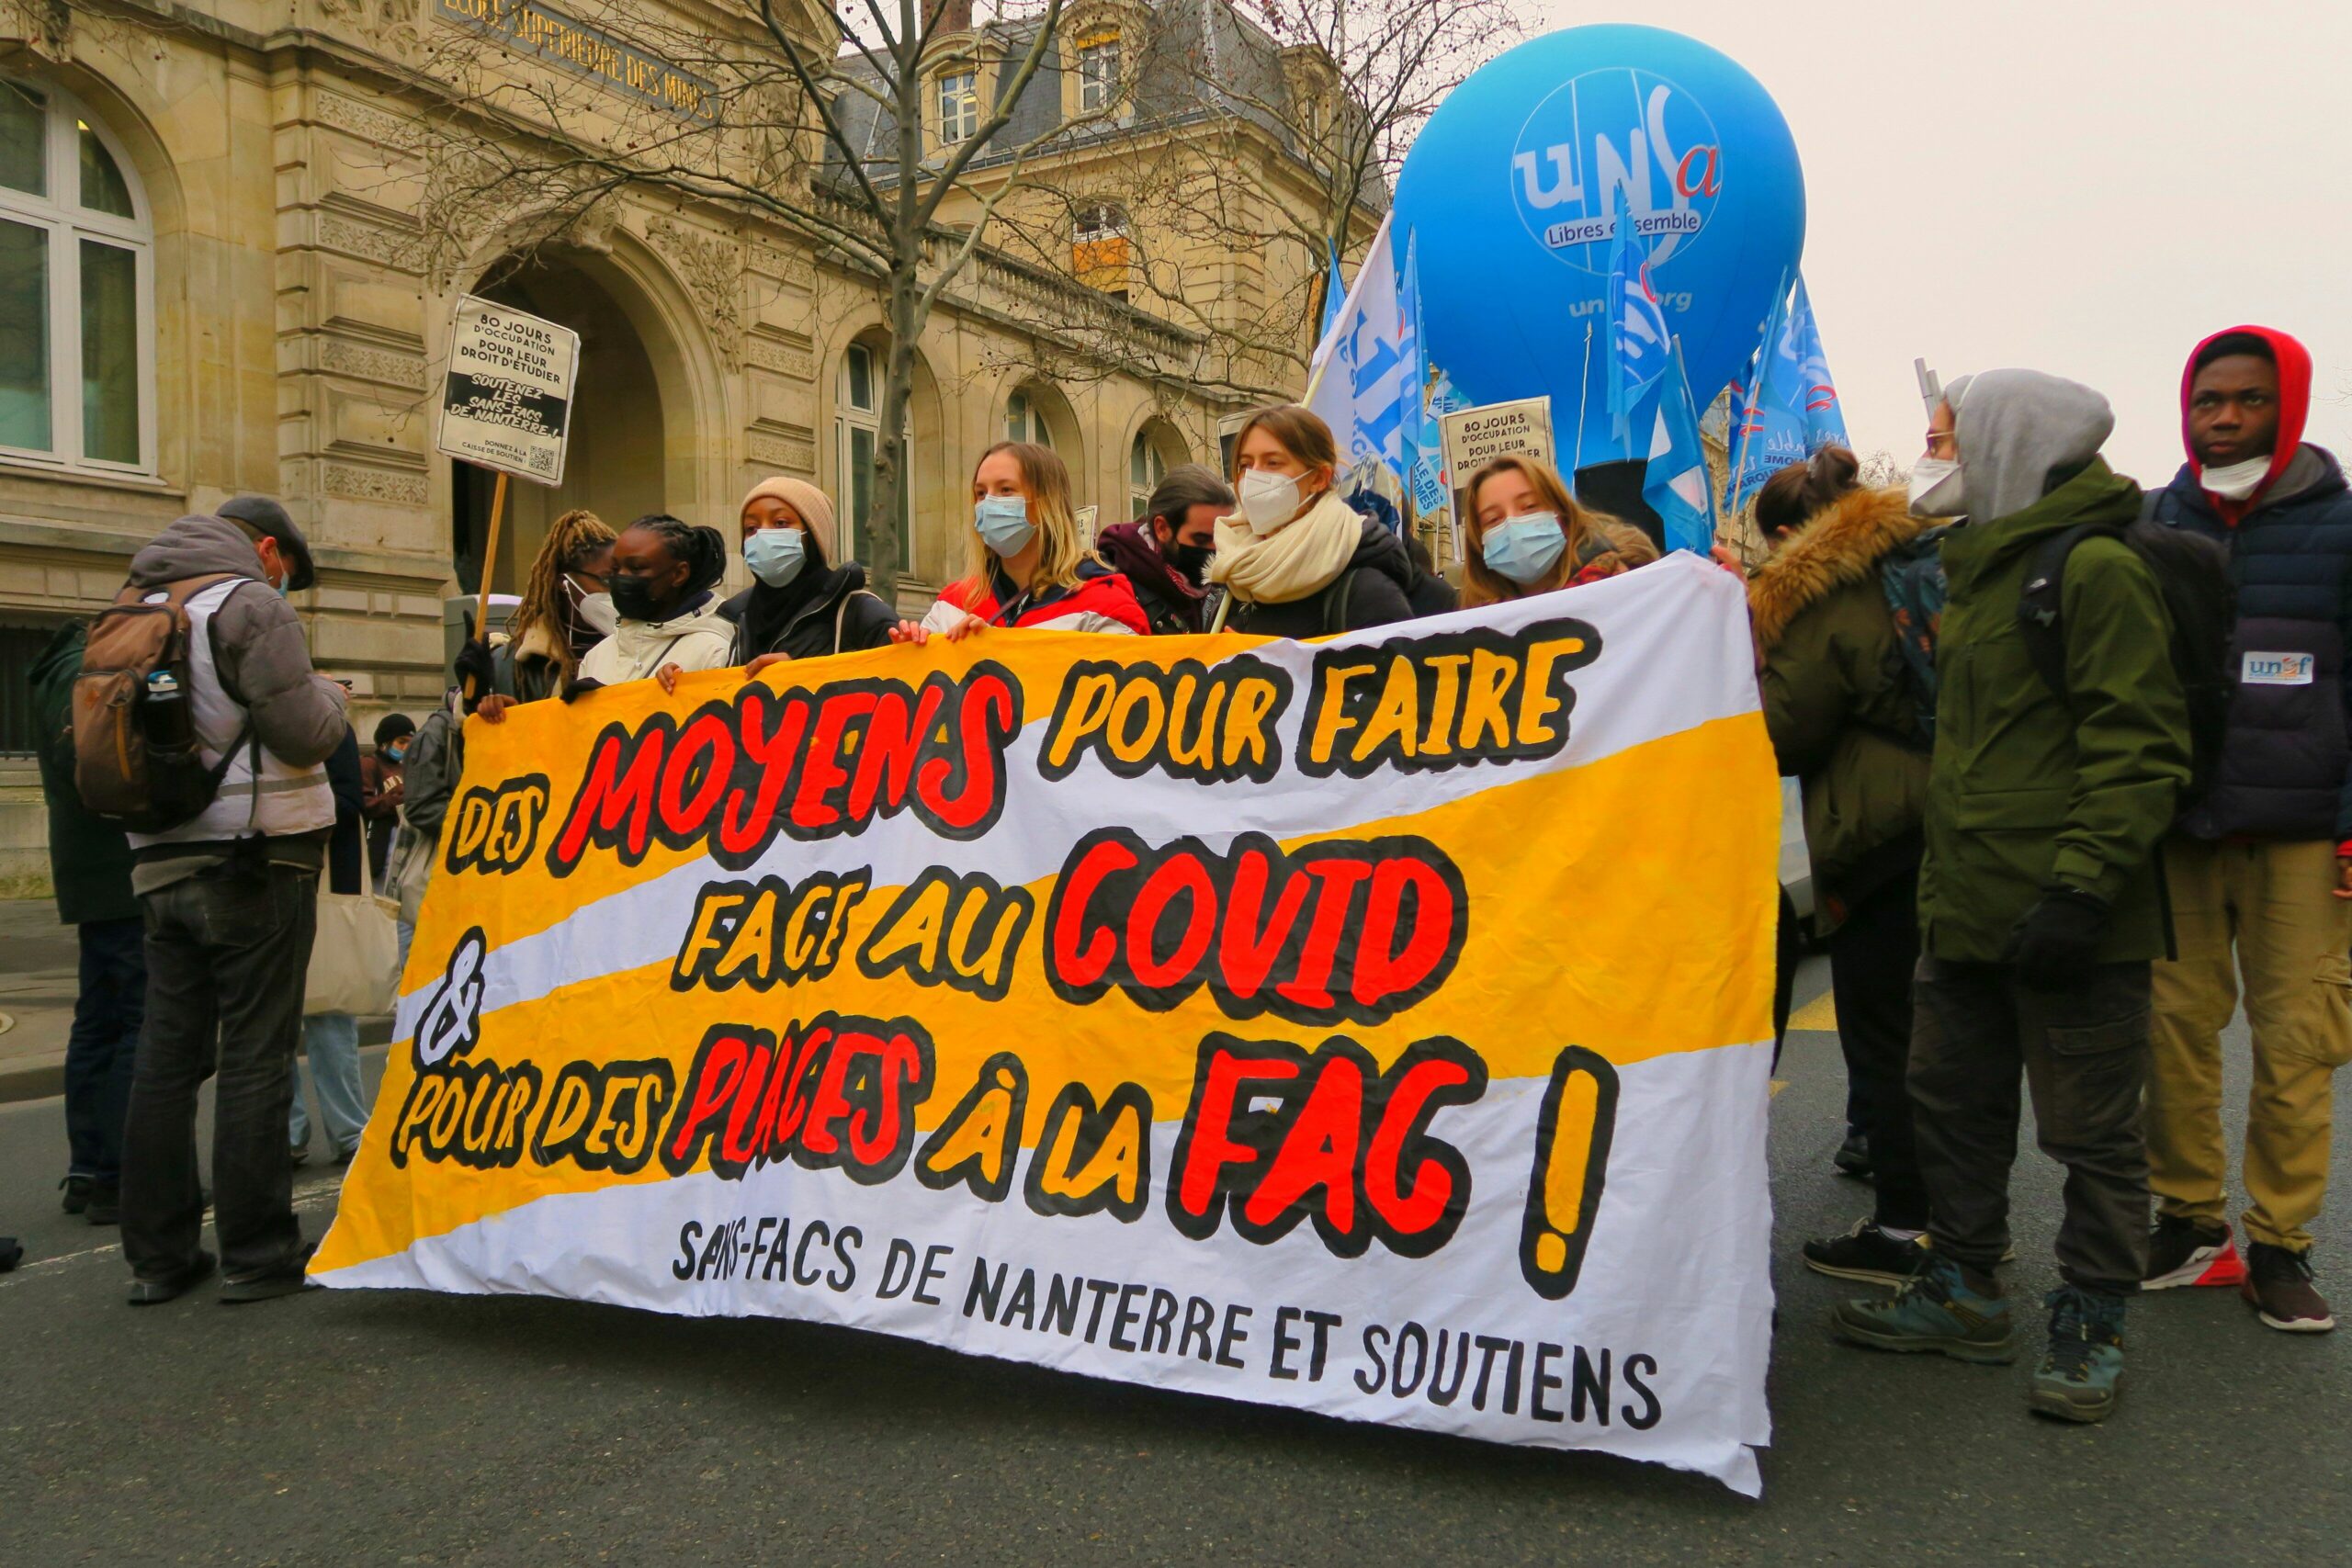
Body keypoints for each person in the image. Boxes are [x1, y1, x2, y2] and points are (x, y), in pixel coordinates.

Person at [1830, 372, 2190, 1424]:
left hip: (2070, 921)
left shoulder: (2093, 569)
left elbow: (2139, 748)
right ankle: (1968, 1287)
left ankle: (2092, 1314)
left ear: (2013, 445)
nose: (1931, 456)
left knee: (2091, 1134)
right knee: (1950, 1106)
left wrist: (2080, 894)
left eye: (1945, 438)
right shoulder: (1982, 566)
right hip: (1967, 911)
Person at [2141, 327, 2352, 1331]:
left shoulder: (2341, 531)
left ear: (2291, 406)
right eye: (2207, 399)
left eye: (2248, 400)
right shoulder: (2146, 523)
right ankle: (2189, 1223)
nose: (2223, 417)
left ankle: (2279, 1243)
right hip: (2179, 830)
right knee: (2171, 1030)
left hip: (2304, 836)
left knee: (2298, 1040)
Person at [118, 497, 349, 1305]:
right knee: (256, 1049)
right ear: (264, 547)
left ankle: (158, 1256)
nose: (285, 583)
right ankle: (257, 1249)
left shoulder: (132, 606)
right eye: (288, 567)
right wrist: (333, 696)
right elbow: (304, 734)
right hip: (256, 855)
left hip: (157, 859)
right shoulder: (247, 603)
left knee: (166, 1057)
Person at [1746, 446, 1937, 1287]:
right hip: (1930, 817)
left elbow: (1787, 724)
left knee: (1884, 1033)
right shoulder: (1908, 554)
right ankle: (1954, 1221)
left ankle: (1905, 1228)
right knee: (1930, 1033)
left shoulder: (1824, 590)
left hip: (1878, 829)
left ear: (1795, 534)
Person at [30, 619, 144, 1227]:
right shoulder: (89, 672)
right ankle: (118, 1173)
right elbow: (104, 764)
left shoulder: (53, 670)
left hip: (85, 870)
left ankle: (87, 1167)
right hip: (117, 867)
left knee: (97, 1019)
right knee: (135, 1017)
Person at [902, 442, 1148, 640]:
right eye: (980, 493)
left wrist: (999, 653)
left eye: (1006, 490)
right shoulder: (953, 604)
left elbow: (1121, 696)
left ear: (1047, 502)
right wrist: (913, 656)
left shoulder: (1105, 606)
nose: (988, 504)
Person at [1209, 406, 1416, 637]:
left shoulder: (1368, 594)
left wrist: (1260, 664)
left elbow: (1397, 671)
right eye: (1245, 464)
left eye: (1273, 463)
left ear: (1318, 478)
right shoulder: (1232, 579)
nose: (1253, 475)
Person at [672, 478, 893, 690]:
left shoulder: (858, 611)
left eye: (780, 523)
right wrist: (684, 683)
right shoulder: (741, 621)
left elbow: (901, 691)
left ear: (813, 536)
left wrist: (805, 676)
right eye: (751, 528)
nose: (763, 535)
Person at [291, 723, 369, 1168]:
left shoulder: (328, 726)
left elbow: (348, 804)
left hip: (320, 885)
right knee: (273, 1018)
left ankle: (349, 1131)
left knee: (329, 1014)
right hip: (266, 881)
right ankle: (286, 1133)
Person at [1458, 455, 1649, 607]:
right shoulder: (1473, 626)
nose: (1512, 524)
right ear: (1478, 543)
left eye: (1530, 506)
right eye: (1493, 519)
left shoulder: (1630, 590)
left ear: (1563, 515)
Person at [571, 514, 736, 686]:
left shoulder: (714, 652)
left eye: (636, 568)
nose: (621, 576)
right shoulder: (596, 657)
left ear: (679, 574)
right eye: (614, 568)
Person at [492, 508, 616, 703]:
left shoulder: (634, 648)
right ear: (563, 582)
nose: (617, 590)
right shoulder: (515, 663)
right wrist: (471, 701)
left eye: (623, 578)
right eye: (607, 580)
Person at [1094, 464, 1233, 635]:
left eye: (1221, 539)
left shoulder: (1227, 591)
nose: (1215, 551)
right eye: (1201, 539)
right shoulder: (1111, 589)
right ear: (1162, 529)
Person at [359, 713, 413, 883]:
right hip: (379, 847)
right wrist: (394, 799)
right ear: (385, 741)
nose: (405, 747)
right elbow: (364, 803)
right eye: (401, 742)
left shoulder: (405, 768)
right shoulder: (369, 764)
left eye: (410, 743)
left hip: (402, 845)